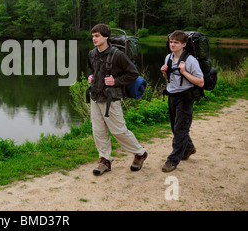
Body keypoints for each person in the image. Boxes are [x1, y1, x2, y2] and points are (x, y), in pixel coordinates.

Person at [87, 24, 147, 176]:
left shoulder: (117, 55)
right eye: (93, 36)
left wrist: (116, 81)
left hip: (111, 99)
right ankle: (105, 160)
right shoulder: (92, 53)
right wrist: (91, 77)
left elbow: (133, 74)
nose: (94, 39)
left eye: (97, 36)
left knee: (118, 131)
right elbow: (93, 69)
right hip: (95, 96)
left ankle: (140, 153)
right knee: (98, 131)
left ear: (106, 37)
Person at [160, 30, 204, 172]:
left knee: (180, 128)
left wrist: (184, 72)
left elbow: (201, 82)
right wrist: (165, 73)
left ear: (184, 44)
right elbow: (170, 79)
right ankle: (189, 148)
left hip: (186, 97)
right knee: (175, 127)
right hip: (172, 95)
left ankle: (173, 160)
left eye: (176, 42)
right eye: (171, 42)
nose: (172, 44)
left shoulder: (190, 60)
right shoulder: (168, 57)